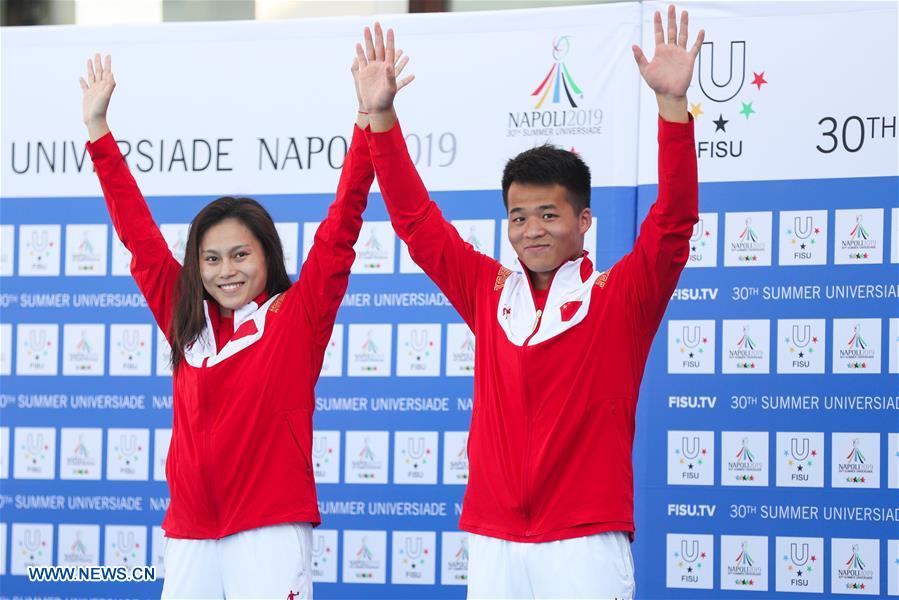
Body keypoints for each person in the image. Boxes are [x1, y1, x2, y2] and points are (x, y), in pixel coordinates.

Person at [354, 7, 702, 598]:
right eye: (518, 216)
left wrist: (672, 109)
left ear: (584, 220)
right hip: (494, 540)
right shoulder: (490, 293)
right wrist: (382, 116)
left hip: (585, 539)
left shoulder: (619, 298)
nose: (531, 229)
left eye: (549, 214)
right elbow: (416, 222)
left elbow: (673, 223)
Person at [79, 52, 411, 598]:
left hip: (270, 528)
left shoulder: (295, 318)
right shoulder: (186, 321)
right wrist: (98, 129)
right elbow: (138, 235)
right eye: (211, 259)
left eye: (240, 255)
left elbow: (341, 227)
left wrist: (366, 118)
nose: (226, 271)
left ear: (267, 255)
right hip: (189, 531)